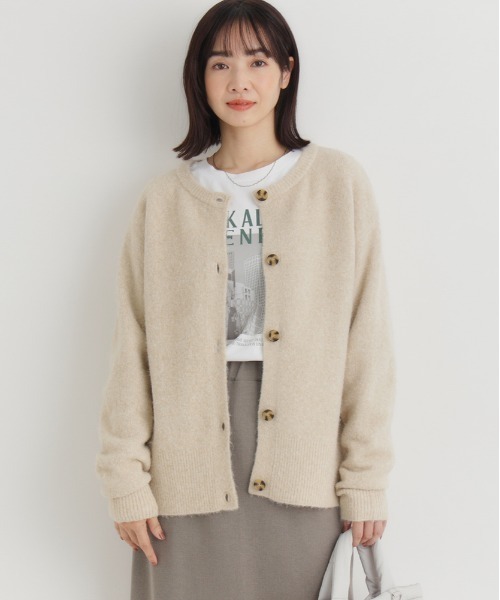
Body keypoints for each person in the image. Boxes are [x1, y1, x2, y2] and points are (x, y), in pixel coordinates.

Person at [94, 1, 397, 598]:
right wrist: (124, 479)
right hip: (186, 462)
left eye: (258, 61)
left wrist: (365, 477)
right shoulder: (163, 201)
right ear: (198, 77)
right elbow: (132, 348)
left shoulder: (337, 183)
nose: (239, 81)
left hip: (304, 460)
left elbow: (368, 341)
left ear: (286, 72)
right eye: (220, 63)